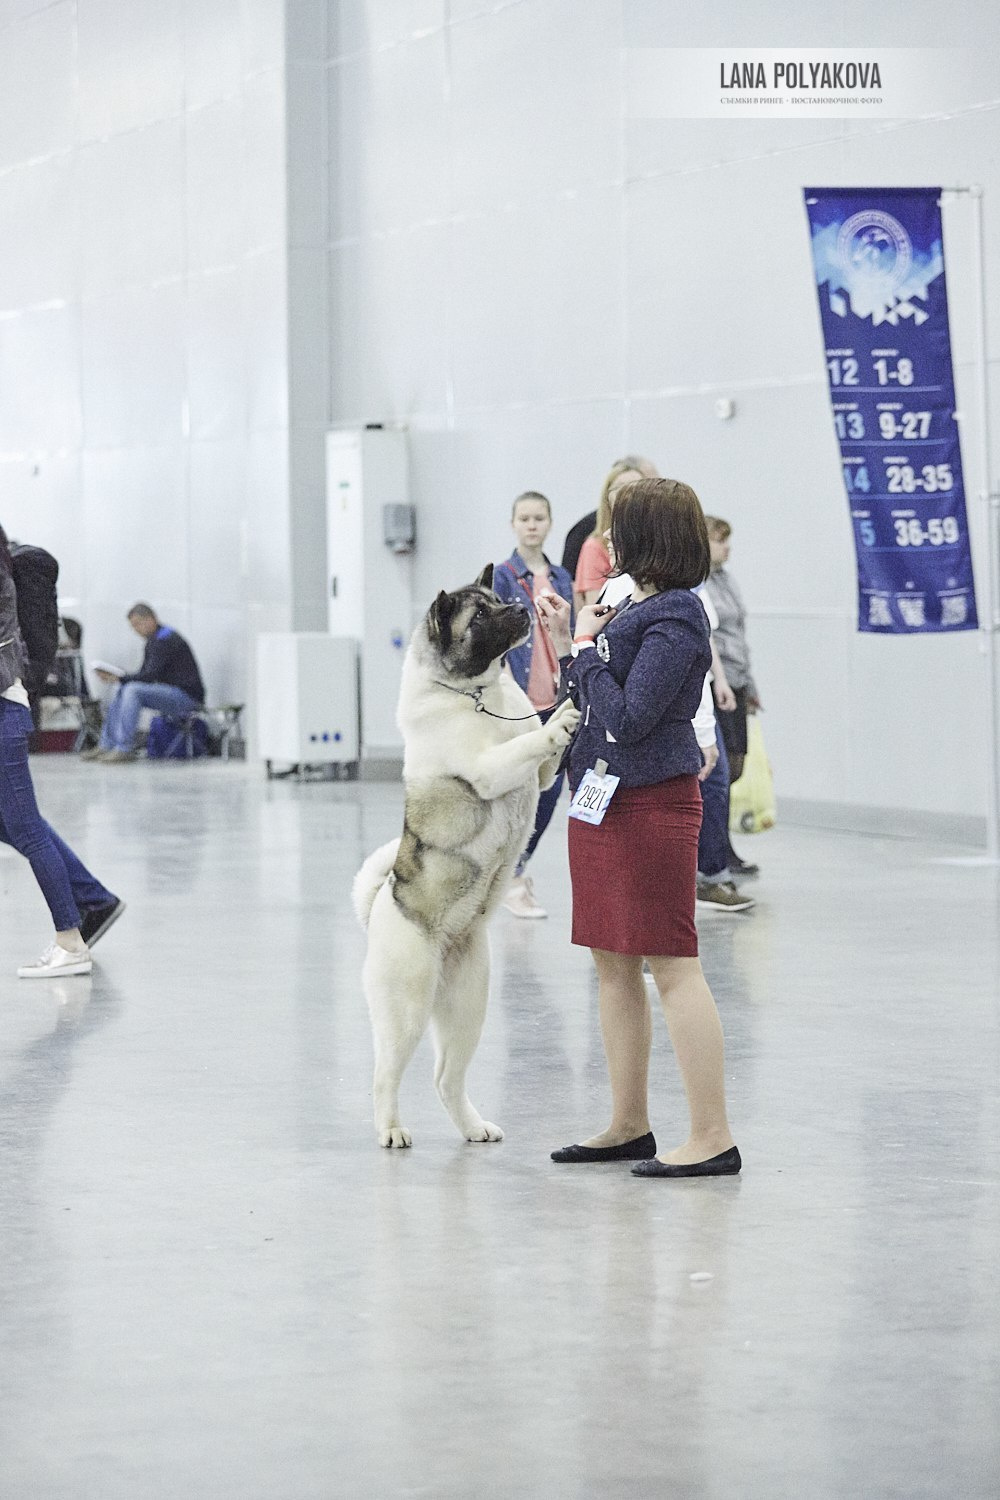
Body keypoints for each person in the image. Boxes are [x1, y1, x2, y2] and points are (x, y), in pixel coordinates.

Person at [537, 478, 740, 1177]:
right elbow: (584, 694)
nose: (608, 541)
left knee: (672, 967)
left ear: (651, 537)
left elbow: (629, 716)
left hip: (652, 804)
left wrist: (586, 647)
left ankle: (711, 1135)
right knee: (611, 965)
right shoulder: (631, 602)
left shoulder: (678, 614)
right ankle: (628, 1123)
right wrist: (570, 640)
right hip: (600, 799)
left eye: (620, 530)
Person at [0, 525, 124, 977]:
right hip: (8, 709)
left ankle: (70, 942)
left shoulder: (7, 580)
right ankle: (92, 899)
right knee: (15, 824)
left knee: (28, 829)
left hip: (3, 711)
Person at [492, 491, 575, 919]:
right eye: (523, 517)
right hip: (520, 695)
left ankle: (516, 869)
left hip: (556, 694)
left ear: (549, 522)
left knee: (551, 785)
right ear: (513, 523)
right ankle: (512, 874)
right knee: (521, 784)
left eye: (539, 517)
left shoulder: (561, 577)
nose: (531, 525)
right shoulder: (503, 577)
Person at [702, 516, 761, 879]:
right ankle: (716, 847)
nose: (728, 547)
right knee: (720, 769)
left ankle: (721, 841)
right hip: (715, 680)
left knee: (736, 764)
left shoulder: (727, 580)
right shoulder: (700, 584)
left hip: (737, 677)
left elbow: (740, 632)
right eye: (721, 541)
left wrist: (750, 685)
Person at [83, 603, 206, 763]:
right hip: (171, 693)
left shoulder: (166, 639)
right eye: (133, 626)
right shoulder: (154, 640)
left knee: (132, 689)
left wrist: (120, 678)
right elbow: (144, 675)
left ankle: (124, 748)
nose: (136, 629)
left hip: (186, 697)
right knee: (125, 688)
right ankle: (106, 744)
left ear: (151, 619)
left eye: (138, 624)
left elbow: (149, 676)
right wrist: (122, 678)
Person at [561, 454, 658, 582]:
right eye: (621, 487)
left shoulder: (657, 539)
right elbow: (593, 599)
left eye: (636, 487)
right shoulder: (589, 538)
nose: (628, 495)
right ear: (608, 494)